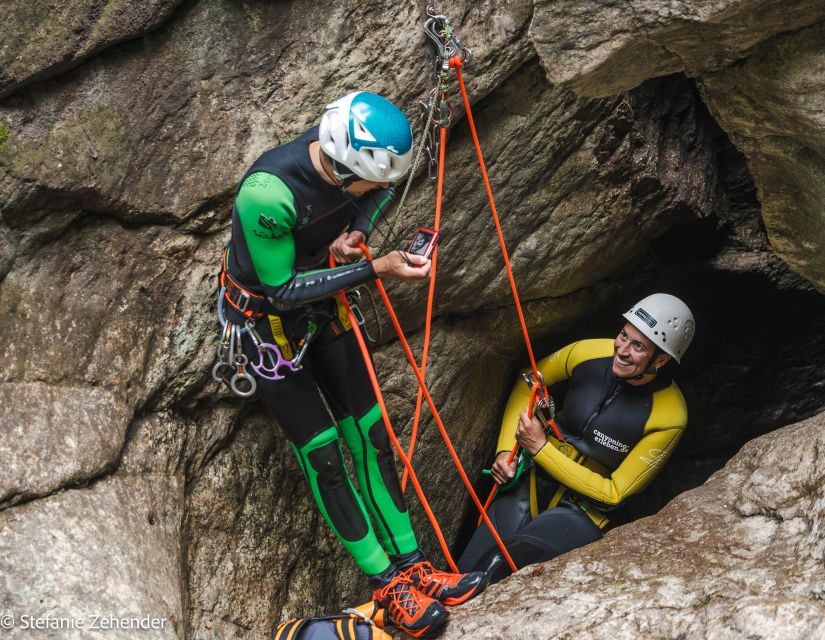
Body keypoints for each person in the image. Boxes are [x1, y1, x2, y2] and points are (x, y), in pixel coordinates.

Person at [217, 91, 486, 638]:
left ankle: (414, 566)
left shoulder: (355, 172)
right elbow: (283, 289)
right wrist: (379, 267)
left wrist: (358, 233)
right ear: (342, 168)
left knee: (371, 435)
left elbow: (376, 195)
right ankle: (386, 585)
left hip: (323, 307)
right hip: (266, 328)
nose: (381, 189)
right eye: (371, 180)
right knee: (325, 458)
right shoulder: (267, 194)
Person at [458, 294, 694, 582]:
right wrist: (504, 452)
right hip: (529, 483)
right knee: (463, 573)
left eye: (638, 346)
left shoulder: (669, 415)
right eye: (623, 335)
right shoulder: (589, 352)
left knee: (493, 567)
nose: (621, 350)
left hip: (579, 514)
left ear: (661, 360)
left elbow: (614, 494)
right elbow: (529, 381)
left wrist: (540, 448)